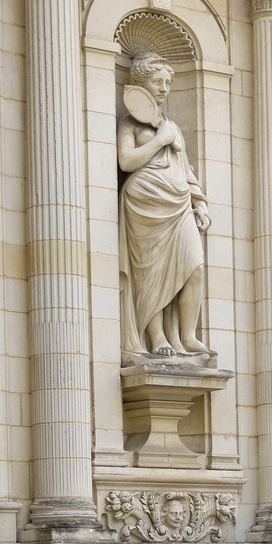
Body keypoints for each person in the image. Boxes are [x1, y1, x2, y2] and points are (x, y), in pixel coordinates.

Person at [117, 50, 212, 361]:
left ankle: (188, 335)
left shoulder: (171, 125)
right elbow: (126, 161)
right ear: (141, 85)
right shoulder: (131, 123)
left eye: (168, 83)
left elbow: (185, 169)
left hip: (179, 203)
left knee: (195, 266)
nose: (164, 88)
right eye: (157, 82)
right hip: (144, 204)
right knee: (151, 273)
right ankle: (157, 337)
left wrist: (200, 202)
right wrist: (159, 139)